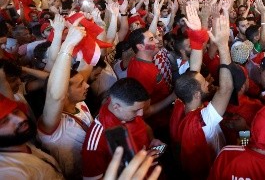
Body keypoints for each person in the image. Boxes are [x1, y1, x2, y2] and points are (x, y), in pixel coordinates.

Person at [173, 5, 233, 179]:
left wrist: (197, 34)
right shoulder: (203, 120)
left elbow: (194, 68)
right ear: (197, 94)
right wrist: (223, 47)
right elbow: (226, 89)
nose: (207, 82)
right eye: (204, 83)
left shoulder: (181, 102)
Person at [37, 16, 93, 179]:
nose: (87, 85)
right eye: (80, 85)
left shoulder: (80, 104)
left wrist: (88, 29)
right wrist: (67, 44)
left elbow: (88, 61)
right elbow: (55, 97)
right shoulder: (51, 123)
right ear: (65, 92)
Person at [81, 78, 164, 179]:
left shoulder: (128, 111)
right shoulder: (96, 140)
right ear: (116, 107)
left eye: (142, 109)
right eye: (136, 110)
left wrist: (152, 139)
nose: (141, 114)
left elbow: (144, 126)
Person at [0, 95, 64, 179]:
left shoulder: (21, 143)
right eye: (5, 121)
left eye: (16, 111)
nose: (20, 120)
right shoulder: (7, 172)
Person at [127, 27, 175, 137]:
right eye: (151, 39)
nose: (157, 41)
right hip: (158, 125)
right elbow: (145, 111)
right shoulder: (143, 73)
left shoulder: (137, 60)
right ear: (140, 46)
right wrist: (172, 97)